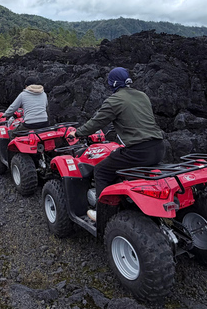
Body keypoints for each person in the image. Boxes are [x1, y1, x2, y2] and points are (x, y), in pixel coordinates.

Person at [67, 67, 167, 222]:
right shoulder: (142, 95)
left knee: (101, 170)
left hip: (139, 151)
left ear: (112, 83)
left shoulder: (114, 100)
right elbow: (136, 118)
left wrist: (78, 133)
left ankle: (102, 214)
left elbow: (96, 122)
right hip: (159, 147)